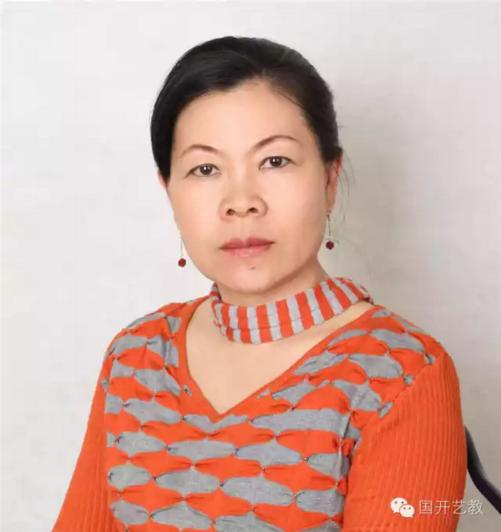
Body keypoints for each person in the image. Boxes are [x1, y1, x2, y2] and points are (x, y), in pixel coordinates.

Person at [53, 36, 467, 531]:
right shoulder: (135, 358)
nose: (241, 201)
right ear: (169, 191)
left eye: (275, 161)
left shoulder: (400, 375)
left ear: (329, 179)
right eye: (205, 169)